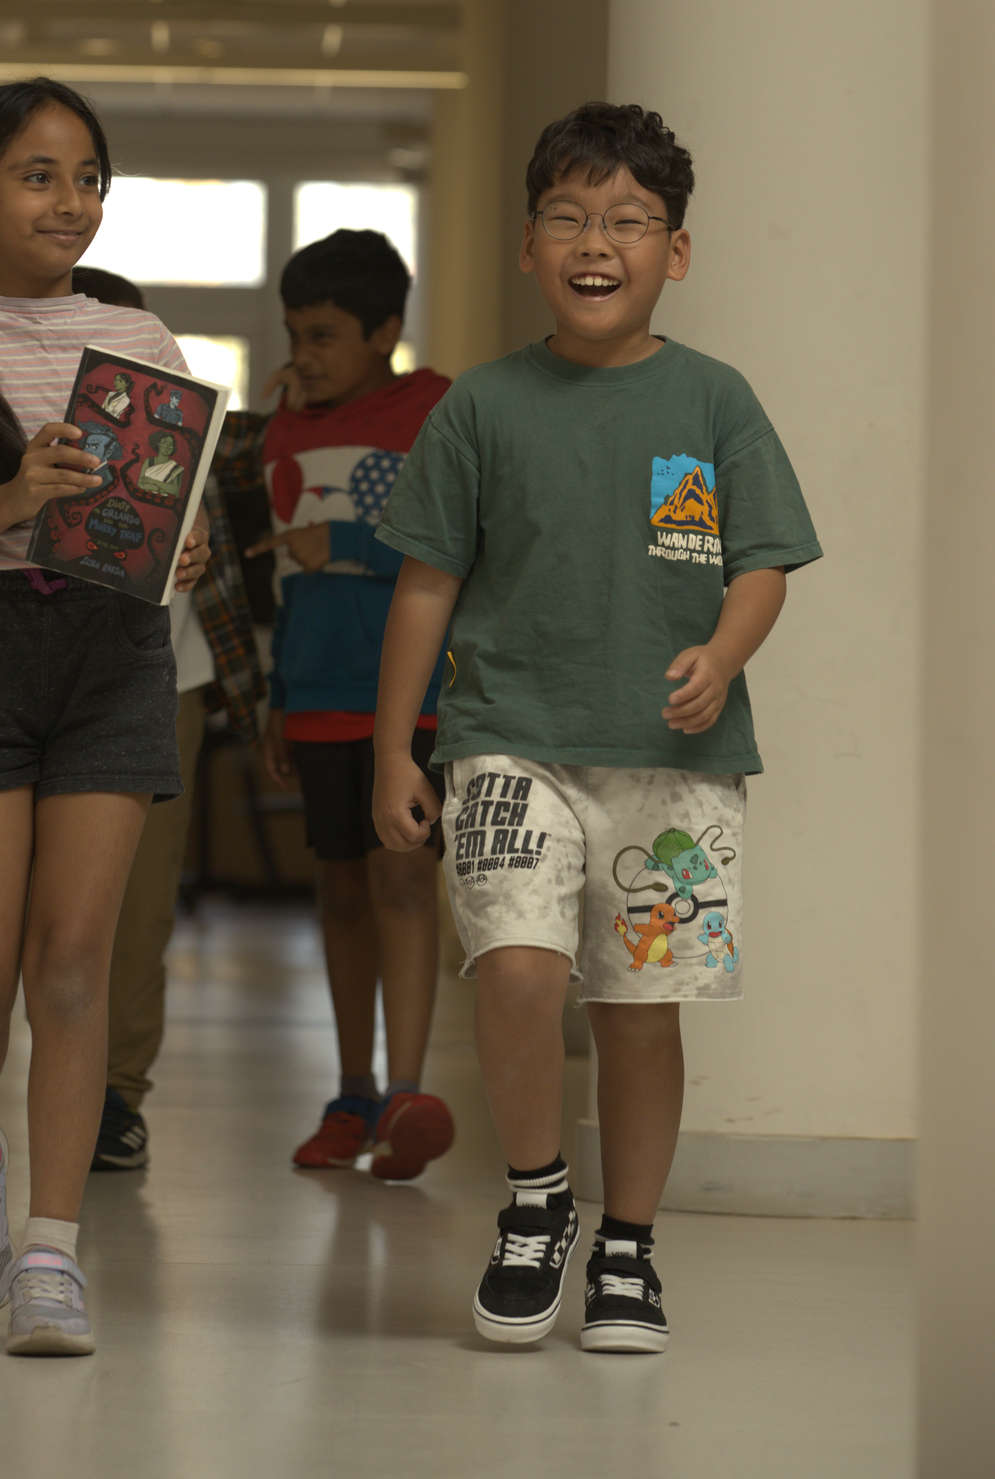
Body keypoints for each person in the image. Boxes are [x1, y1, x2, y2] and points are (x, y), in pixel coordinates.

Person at [371, 101, 821, 1353]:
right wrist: (391, 746)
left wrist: (723, 656)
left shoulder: (714, 401)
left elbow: (763, 565)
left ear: (673, 252)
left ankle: (628, 1246)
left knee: (636, 1008)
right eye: (569, 216)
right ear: (528, 245)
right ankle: (534, 1205)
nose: (596, 240)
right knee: (516, 969)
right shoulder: (479, 407)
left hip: (672, 762)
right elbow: (424, 584)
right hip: (504, 733)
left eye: (628, 220)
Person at [0, 80, 210, 1360]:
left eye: (86, 176)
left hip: (115, 656)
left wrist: (176, 555)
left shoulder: (141, 339)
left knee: (71, 968)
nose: (68, 200)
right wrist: (14, 490)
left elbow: (178, 521)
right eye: (36, 176)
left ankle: (52, 1254)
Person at [227, 228, 456, 1180]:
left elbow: (463, 549)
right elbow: (283, 574)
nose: (302, 355)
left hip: (415, 703)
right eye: (293, 332)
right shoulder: (283, 425)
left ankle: (406, 1090)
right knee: (340, 890)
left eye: (322, 334)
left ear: (386, 331)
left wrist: (353, 544)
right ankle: (353, 1088)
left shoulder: (438, 412)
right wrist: (277, 699)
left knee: (403, 880)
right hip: (314, 695)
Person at [70, 265, 266, 1172]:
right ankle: (47, 1081)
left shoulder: (195, 437)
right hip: (49, 678)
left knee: (140, 905)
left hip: (166, 687)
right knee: (45, 908)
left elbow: (261, 452)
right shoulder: (34, 441)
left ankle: (114, 1093)